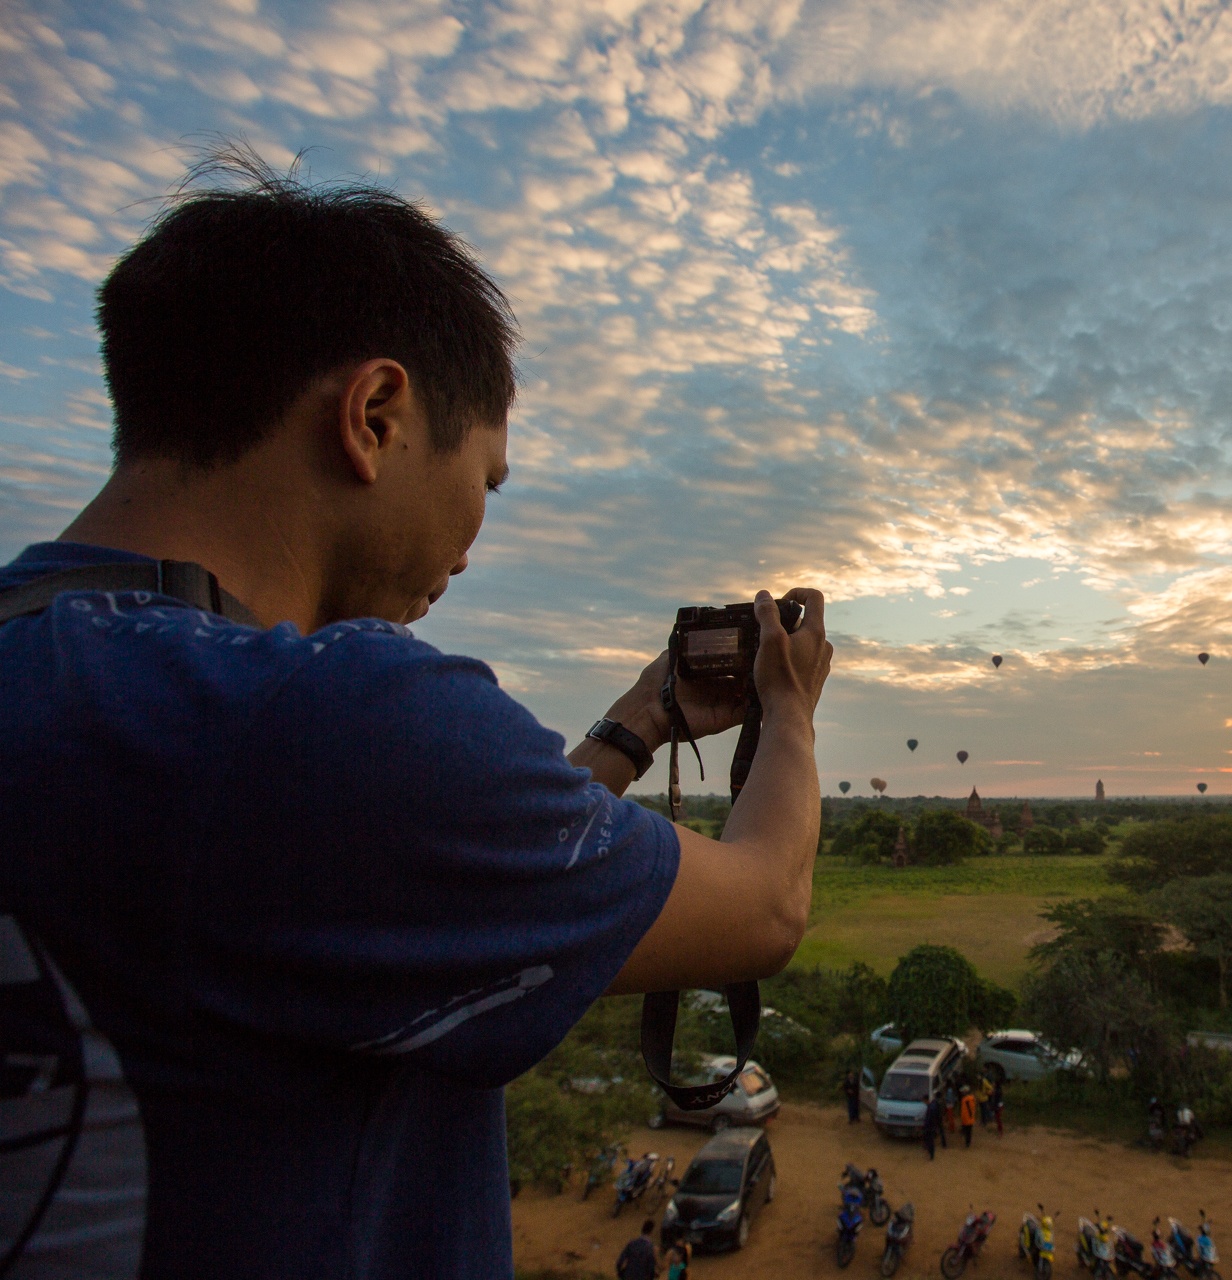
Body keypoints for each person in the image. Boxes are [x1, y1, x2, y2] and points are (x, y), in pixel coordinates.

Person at [0, 147, 833, 1279]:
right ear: (376, 414)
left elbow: (390, 874)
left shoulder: (82, 684)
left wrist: (638, 722)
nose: (472, 546)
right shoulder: (318, 716)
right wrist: (790, 707)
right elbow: (766, 905)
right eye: (485, 480)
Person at [922, 1095, 941, 1161]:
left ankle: (931, 1154)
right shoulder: (932, 1106)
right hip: (931, 1127)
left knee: (930, 1141)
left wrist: (926, 1125)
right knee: (929, 1140)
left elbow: (929, 1119)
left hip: (930, 1127)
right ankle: (930, 1152)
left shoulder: (930, 1108)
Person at [958, 1083, 978, 1147]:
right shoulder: (970, 1099)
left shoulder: (966, 1100)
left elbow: (969, 1110)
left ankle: (967, 1143)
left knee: (968, 1132)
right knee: (968, 1132)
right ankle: (967, 1142)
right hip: (968, 1118)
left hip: (967, 1118)